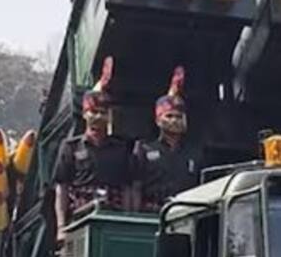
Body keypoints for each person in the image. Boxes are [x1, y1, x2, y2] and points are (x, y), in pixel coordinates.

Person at [52, 56, 138, 241]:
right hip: (80, 219)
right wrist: (61, 227)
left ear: (109, 116)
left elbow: (129, 188)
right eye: (94, 112)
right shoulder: (71, 147)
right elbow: (62, 189)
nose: (98, 116)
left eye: (103, 113)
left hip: (113, 217)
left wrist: (131, 220)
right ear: (84, 114)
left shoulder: (122, 148)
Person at [137, 66, 203, 207]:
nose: (174, 120)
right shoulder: (144, 149)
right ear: (158, 120)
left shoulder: (195, 153)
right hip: (153, 213)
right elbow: (134, 187)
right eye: (169, 116)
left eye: (179, 117)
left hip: (186, 213)